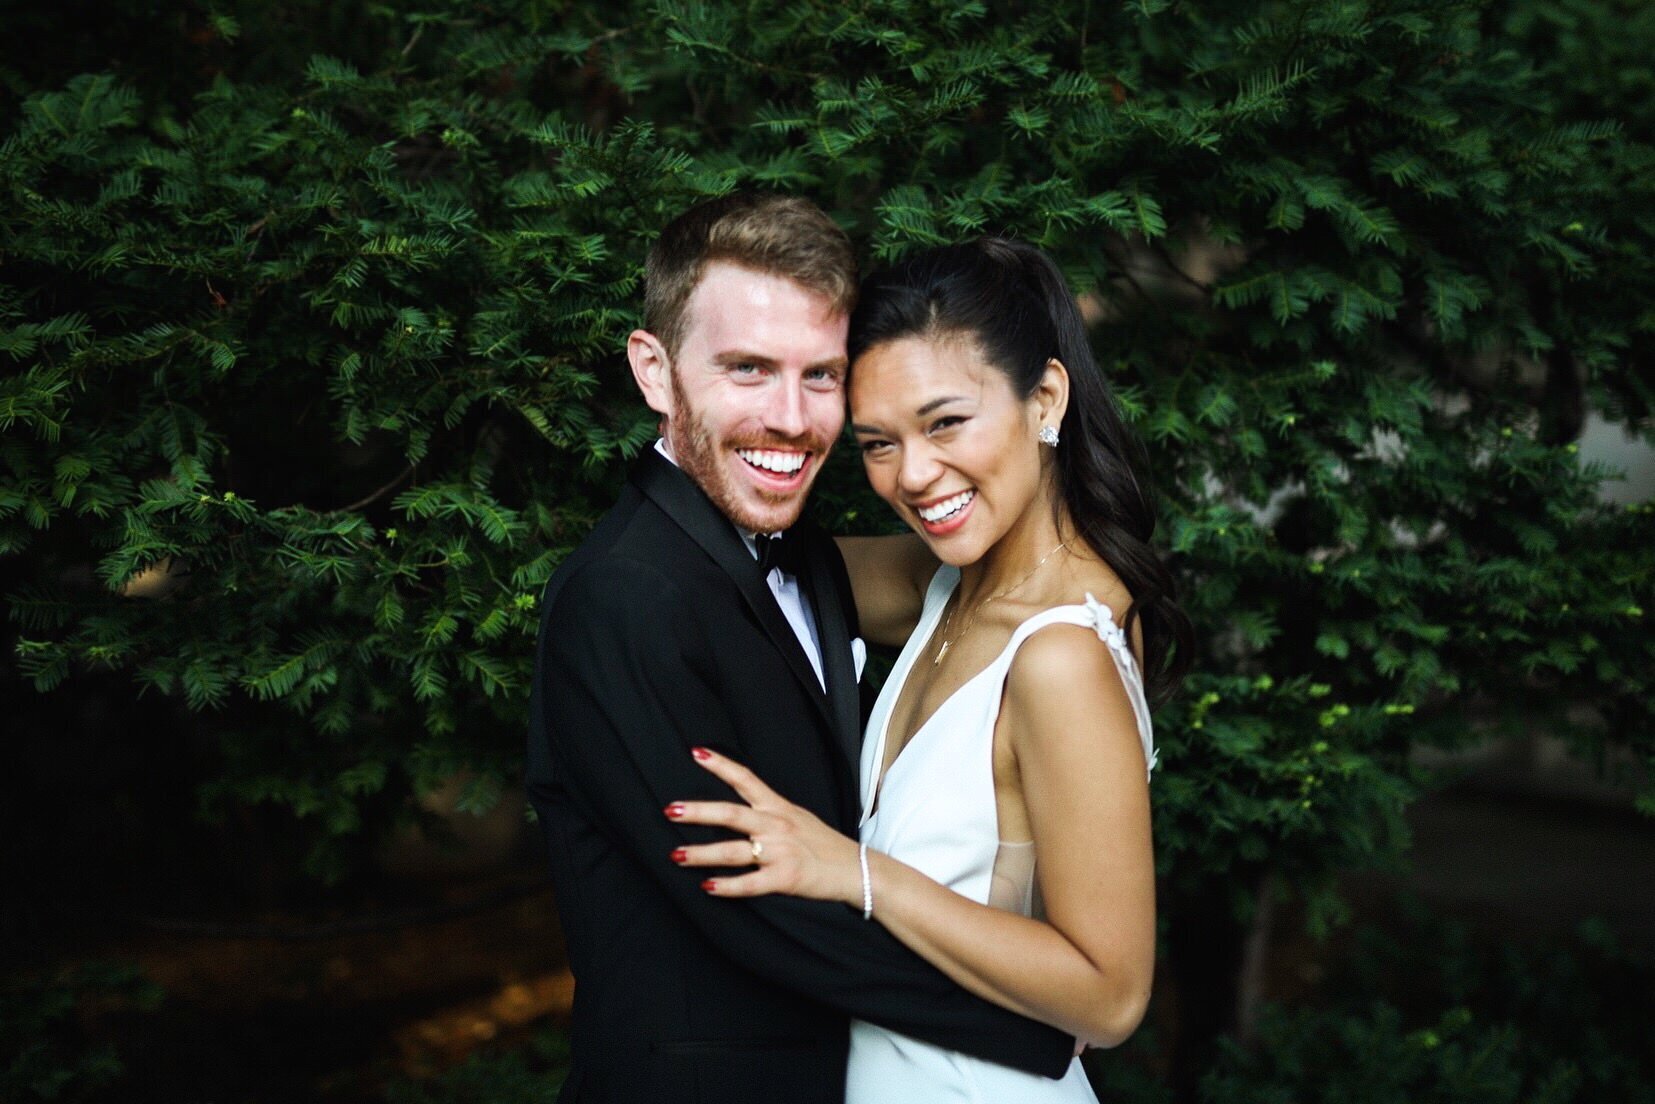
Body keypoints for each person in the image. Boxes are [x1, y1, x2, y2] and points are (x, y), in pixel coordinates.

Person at [525, 198, 1074, 1104]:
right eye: (747, 369)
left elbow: (996, 569)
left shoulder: (808, 562)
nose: (790, 418)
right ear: (654, 372)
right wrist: (1033, 1023)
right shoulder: (622, 596)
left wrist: (1107, 590)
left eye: (820, 376)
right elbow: (752, 906)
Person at [667, 237, 1193, 1102]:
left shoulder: (1060, 654)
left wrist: (853, 872)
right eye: (877, 443)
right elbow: (744, 572)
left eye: (946, 422)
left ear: (1045, 399)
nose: (913, 475)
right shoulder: (946, 583)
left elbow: (1109, 995)